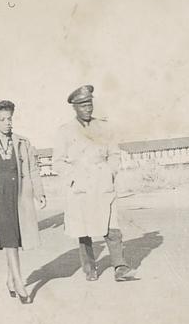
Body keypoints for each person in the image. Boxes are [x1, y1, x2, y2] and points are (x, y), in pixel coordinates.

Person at [53, 84, 133, 282]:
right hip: (80, 185)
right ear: (75, 107)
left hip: (102, 182)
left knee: (111, 225)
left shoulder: (104, 127)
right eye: (82, 105)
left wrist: (110, 172)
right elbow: (58, 161)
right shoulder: (65, 131)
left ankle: (120, 267)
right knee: (84, 230)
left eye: (89, 104)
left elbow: (114, 154)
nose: (87, 108)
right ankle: (90, 268)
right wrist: (73, 178)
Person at [0, 100, 46, 304]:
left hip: (19, 195)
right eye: (3, 119)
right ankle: (19, 282)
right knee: (10, 239)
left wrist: (39, 192)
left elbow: (32, 169)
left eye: (10, 119)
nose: (8, 123)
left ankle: (10, 279)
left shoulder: (22, 142)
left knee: (13, 239)